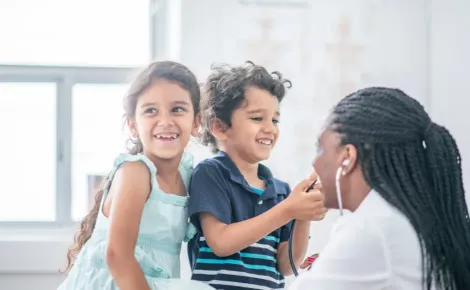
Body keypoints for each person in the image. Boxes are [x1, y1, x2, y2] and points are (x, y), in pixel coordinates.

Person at [289, 87, 470, 290]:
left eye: (321, 149)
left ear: (348, 157)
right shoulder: (405, 218)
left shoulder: (371, 226)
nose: (315, 162)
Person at [58, 61, 214, 290]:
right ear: (132, 124)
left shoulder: (187, 176)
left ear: (197, 122)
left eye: (177, 109)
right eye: (151, 110)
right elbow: (117, 256)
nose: (165, 121)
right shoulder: (136, 172)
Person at [188, 62, 327, 289]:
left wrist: (303, 216)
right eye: (257, 118)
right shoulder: (211, 174)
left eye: (275, 120)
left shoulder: (281, 191)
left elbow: (287, 265)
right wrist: (288, 210)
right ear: (219, 127)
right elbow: (221, 242)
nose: (270, 128)